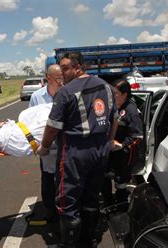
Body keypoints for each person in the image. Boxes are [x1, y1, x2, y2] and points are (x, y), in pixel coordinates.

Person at [37, 51, 118, 247]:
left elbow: (53, 126)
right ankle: (88, 239)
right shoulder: (106, 87)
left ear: (78, 67)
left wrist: (45, 146)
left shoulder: (65, 92)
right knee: (91, 195)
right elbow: (113, 118)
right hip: (100, 149)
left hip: (75, 151)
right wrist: (109, 141)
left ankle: (69, 244)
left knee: (67, 200)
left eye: (65, 68)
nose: (62, 73)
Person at [26, 64, 63, 226]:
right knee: (47, 178)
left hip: (64, 144)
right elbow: (30, 120)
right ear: (49, 78)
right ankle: (49, 210)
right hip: (46, 145)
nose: (62, 81)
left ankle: (63, 208)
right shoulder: (37, 97)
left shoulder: (68, 93)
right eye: (58, 78)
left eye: (63, 77)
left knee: (63, 178)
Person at [101, 78, 145, 208]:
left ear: (125, 95)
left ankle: (121, 207)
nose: (113, 97)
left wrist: (122, 145)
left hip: (123, 154)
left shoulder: (131, 111)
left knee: (121, 183)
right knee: (104, 179)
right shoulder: (110, 107)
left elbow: (137, 135)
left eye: (115, 94)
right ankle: (108, 204)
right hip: (108, 151)